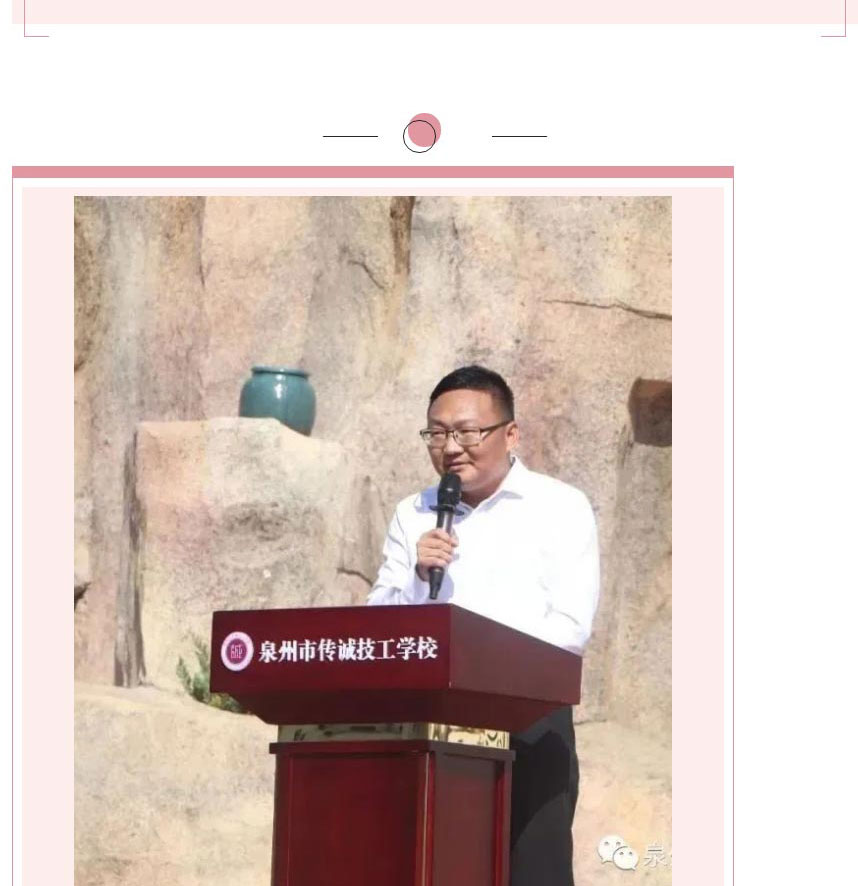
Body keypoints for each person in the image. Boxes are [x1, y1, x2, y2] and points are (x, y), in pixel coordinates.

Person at [367, 365, 600, 886]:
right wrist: (416, 576)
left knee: (532, 872)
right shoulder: (414, 513)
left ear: (510, 434)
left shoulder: (559, 506)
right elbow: (380, 622)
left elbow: (570, 627)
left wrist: (479, 657)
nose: (451, 447)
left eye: (468, 432)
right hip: (430, 723)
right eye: (437, 433)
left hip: (530, 719)